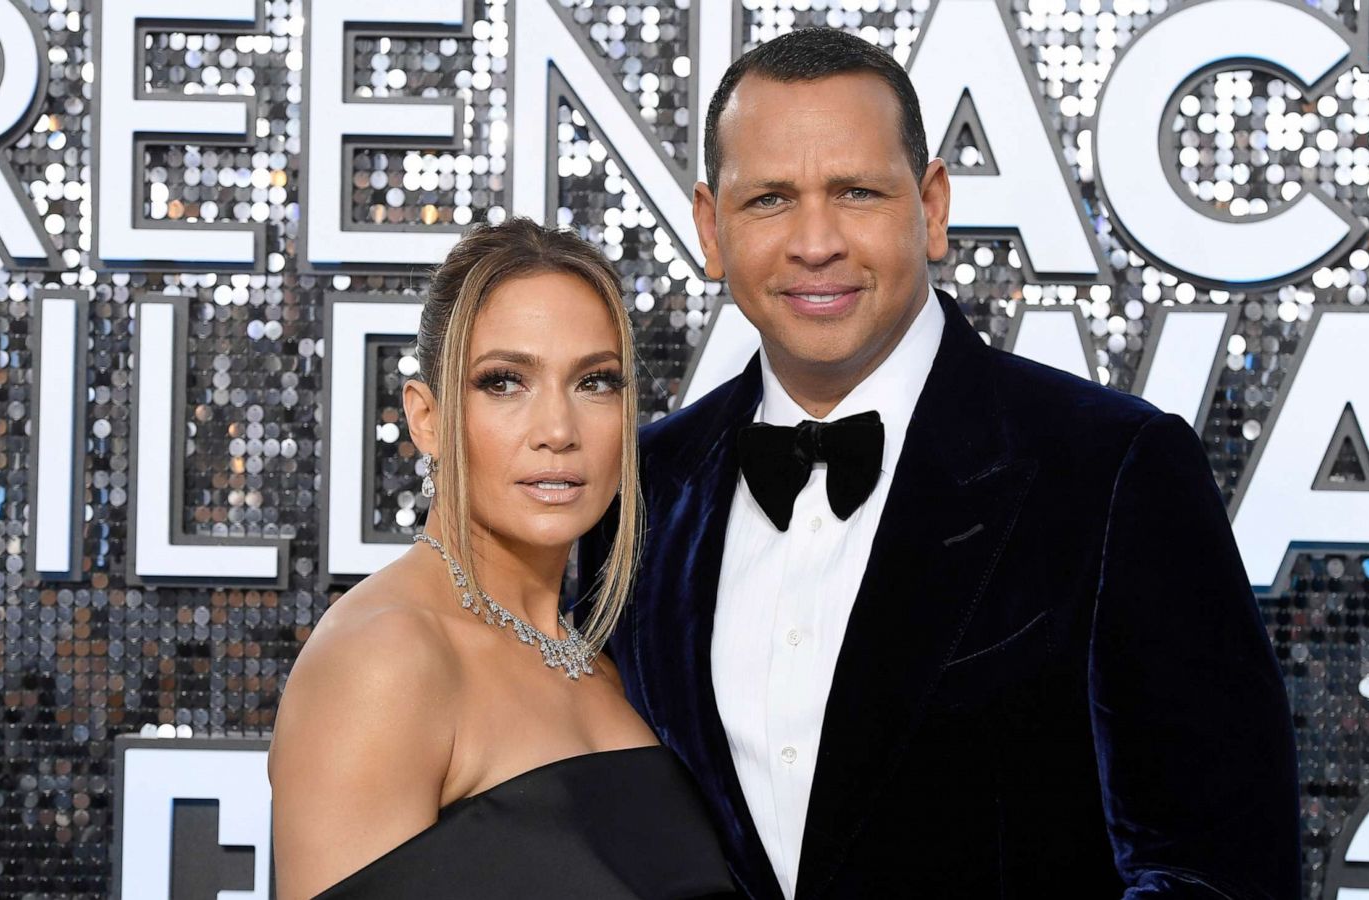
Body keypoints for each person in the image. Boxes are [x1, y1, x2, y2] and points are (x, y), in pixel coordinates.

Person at [578, 27, 1302, 900]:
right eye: (769, 199)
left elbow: (1218, 873)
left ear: (930, 208)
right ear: (711, 227)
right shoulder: (637, 494)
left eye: (855, 191)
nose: (815, 242)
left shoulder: (1113, 470)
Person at [268, 218, 739, 899]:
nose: (557, 431)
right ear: (426, 418)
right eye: (504, 382)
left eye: (595, 382)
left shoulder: (605, 662)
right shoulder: (386, 659)